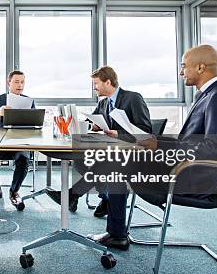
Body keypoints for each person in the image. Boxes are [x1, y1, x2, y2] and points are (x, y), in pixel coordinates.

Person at [88, 45, 217, 250]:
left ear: (201, 67)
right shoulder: (208, 95)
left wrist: (159, 146)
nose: (180, 72)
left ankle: (116, 233)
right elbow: (192, 143)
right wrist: (157, 142)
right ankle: (115, 230)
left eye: (184, 66)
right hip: (184, 167)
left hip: (194, 177)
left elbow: (213, 149)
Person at [46, 65, 151, 213]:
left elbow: (146, 131)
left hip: (132, 153)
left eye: (96, 84)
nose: (94, 88)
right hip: (111, 150)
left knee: (103, 164)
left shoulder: (133, 98)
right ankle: (107, 198)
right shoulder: (103, 103)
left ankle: (72, 195)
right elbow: (93, 121)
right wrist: (93, 126)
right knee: (80, 161)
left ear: (108, 82)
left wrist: (118, 134)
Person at [0, 70, 35, 210]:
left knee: (23, 158)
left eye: (22, 82)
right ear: (8, 82)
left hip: (21, 144)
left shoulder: (29, 101)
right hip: (2, 144)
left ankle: (14, 192)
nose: (20, 85)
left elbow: (35, 126)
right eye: (16, 82)